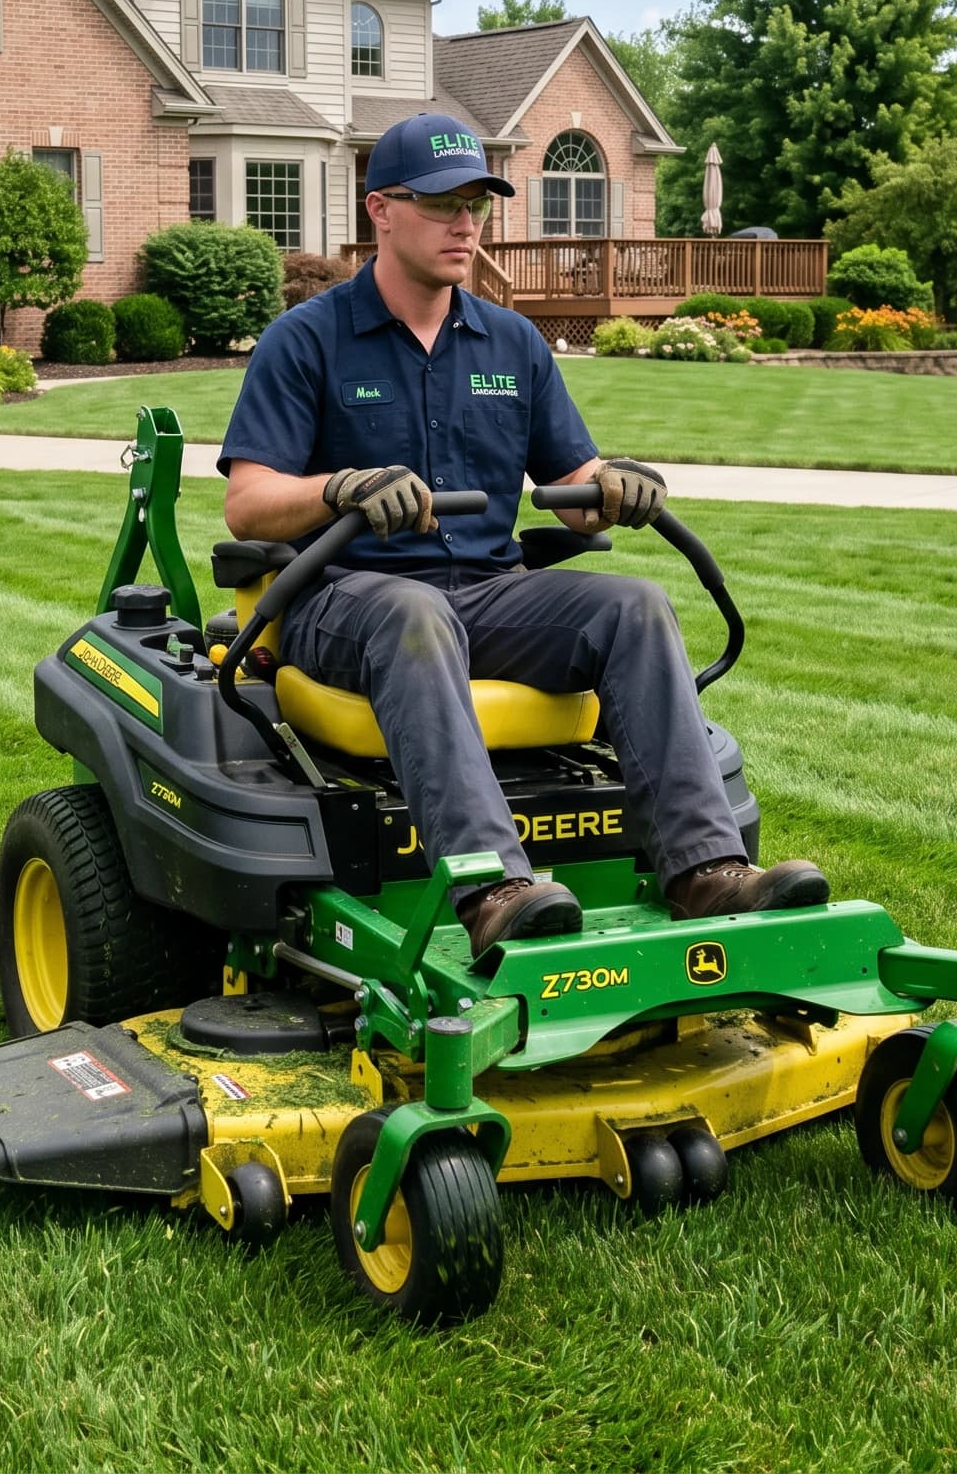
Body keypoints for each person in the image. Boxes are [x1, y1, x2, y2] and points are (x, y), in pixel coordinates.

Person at [218, 112, 829, 960]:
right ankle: (493, 887)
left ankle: (705, 869)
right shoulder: (308, 341)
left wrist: (612, 485)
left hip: (488, 591)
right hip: (346, 598)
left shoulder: (513, 343)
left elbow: (572, 490)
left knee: (635, 605)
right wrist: (341, 487)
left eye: (478, 202)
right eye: (441, 204)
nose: (465, 223)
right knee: (412, 612)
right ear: (381, 211)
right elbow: (247, 505)